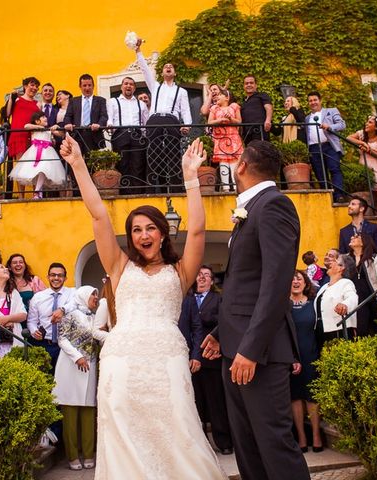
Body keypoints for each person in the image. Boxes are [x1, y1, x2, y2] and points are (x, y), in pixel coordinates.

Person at [60, 132, 226, 479]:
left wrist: (191, 179)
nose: (143, 235)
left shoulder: (180, 271)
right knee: (122, 433)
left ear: (163, 233)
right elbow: (98, 217)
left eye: (151, 228)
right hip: (121, 360)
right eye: (136, 230)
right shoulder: (119, 266)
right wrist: (77, 165)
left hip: (167, 360)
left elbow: (196, 232)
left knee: (179, 427)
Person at [201, 140, 310, 480]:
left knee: (274, 445)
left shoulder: (275, 205)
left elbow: (276, 286)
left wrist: (250, 348)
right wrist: (222, 335)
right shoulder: (252, 208)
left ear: (243, 166)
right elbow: (244, 287)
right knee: (247, 447)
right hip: (235, 350)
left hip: (259, 354)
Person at [178, 265, 233, 455]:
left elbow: (224, 322)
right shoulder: (185, 299)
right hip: (189, 359)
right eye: (198, 274)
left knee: (215, 401)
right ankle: (201, 445)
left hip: (212, 358)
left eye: (206, 275)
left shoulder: (219, 299)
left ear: (212, 281)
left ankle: (224, 441)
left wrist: (203, 317)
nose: (201, 278)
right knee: (195, 403)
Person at [53, 286, 100, 471]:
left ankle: (88, 454)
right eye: (93, 295)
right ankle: (72, 456)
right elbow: (62, 339)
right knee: (70, 412)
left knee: (88, 411)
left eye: (97, 295)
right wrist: (77, 356)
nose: (96, 298)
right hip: (71, 366)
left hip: (91, 367)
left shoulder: (96, 318)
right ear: (83, 296)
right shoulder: (70, 314)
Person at [135, 38, 191, 192]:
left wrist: (186, 125)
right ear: (161, 72)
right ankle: (153, 189)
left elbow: (185, 110)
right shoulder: (155, 86)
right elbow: (145, 69)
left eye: (171, 67)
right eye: (165, 66)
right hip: (154, 120)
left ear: (174, 72)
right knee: (153, 153)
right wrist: (138, 51)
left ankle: (175, 188)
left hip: (172, 120)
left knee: (173, 153)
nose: (168, 67)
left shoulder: (182, 91)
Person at [289, 270, 324, 453]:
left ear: (305, 283)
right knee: (295, 397)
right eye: (292, 279)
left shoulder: (314, 304)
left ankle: (317, 435)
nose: (295, 281)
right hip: (290, 358)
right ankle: (302, 436)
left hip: (311, 355)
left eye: (299, 278)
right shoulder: (283, 306)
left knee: (312, 396)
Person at [27, 262, 78, 372]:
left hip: (67, 345)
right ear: (48, 277)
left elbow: (77, 303)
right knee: (45, 377)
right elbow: (31, 321)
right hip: (45, 345)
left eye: (60, 275)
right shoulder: (38, 297)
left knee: (64, 378)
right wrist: (34, 331)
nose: (56, 278)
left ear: (65, 278)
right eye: (53, 275)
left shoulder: (73, 293)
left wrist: (62, 310)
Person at [8, 111, 67, 199]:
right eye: (43, 117)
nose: (45, 118)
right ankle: (38, 192)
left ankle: (37, 191)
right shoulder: (35, 129)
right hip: (34, 153)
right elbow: (26, 126)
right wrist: (40, 127)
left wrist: (57, 127)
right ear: (37, 121)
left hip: (47, 153)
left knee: (43, 170)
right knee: (36, 171)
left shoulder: (49, 130)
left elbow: (61, 134)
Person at [106, 76, 149, 194]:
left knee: (138, 164)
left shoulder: (141, 104)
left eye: (131, 84)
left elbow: (146, 123)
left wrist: (144, 135)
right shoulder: (113, 102)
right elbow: (110, 118)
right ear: (121, 87)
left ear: (134, 88)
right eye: (126, 84)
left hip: (137, 134)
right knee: (122, 164)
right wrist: (110, 125)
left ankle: (138, 192)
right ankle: (124, 193)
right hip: (120, 134)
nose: (128, 86)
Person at [305, 91, 346, 202]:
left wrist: (330, 126)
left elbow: (342, 125)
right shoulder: (307, 118)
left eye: (315, 100)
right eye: (310, 101)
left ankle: (338, 195)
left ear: (320, 100)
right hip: (314, 148)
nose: (313, 102)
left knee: (334, 169)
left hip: (329, 145)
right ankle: (328, 197)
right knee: (319, 173)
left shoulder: (331, 111)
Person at [6, 77, 41, 196]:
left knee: (35, 165)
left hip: (33, 137)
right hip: (18, 135)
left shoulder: (38, 104)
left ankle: (35, 195)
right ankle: (21, 195)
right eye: (32, 85)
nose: (34, 88)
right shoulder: (16, 100)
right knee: (21, 166)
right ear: (25, 86)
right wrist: (11, 98)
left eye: (36, 86)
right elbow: (7, 113)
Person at [347, 233, 377, 336]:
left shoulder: (373, 258)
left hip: (372, 297)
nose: (352, 237)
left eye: (356, 237)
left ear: (363, 242)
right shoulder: (346, 259)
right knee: (361, 330)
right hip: (357, 300)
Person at [313, 253, 358, 342]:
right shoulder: (324, 287)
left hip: (337, 331)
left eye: (335, 261)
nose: (330, 262)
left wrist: (345, 305)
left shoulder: (346, 283)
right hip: (321, 330)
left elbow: (352, 297)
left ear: (341, 268)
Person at [207, 86, 243, 191]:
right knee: (223, 162)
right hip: (220, 138)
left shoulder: (234, 107)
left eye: (220, 95)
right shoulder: (214, 108)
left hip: (233, 137)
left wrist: (230, 119)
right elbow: (209, 122)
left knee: (234, 162)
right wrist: (220, 120)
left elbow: (239, 121)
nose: (217, 96)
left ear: (227, 97)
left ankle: (236, 187)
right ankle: (226, 187)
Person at [63, 74, 108, 157]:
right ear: (80, 86)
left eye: (89, 85)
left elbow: (104, 116)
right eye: (84, 85)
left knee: (93, 165)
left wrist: (99, 124)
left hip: (94, 135)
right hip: (77, 135)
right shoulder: (73, 101)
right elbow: (68, 116)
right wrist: (68, 123)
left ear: (93, 86)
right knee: (76, 163)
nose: (87, 88)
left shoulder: (101, 100)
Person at [347, 115, 377, 192]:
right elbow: (348, 138)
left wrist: (369, 151)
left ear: (376, 127)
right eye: (367, 121)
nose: (366, 123)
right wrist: (362, 143)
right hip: (364, 167)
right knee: (366, 192)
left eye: (370, 122)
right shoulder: (362, 134)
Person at [240, 75, 273, 144]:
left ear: (256, 85)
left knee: (261, 151)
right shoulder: (243, 102)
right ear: (244, 86)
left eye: (251, 83)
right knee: (250, 152)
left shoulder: (262, 95)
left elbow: (268, 107)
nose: (249, 85)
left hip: (260, 130)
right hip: (247, 133)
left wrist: (268, 120)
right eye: (246, 83)